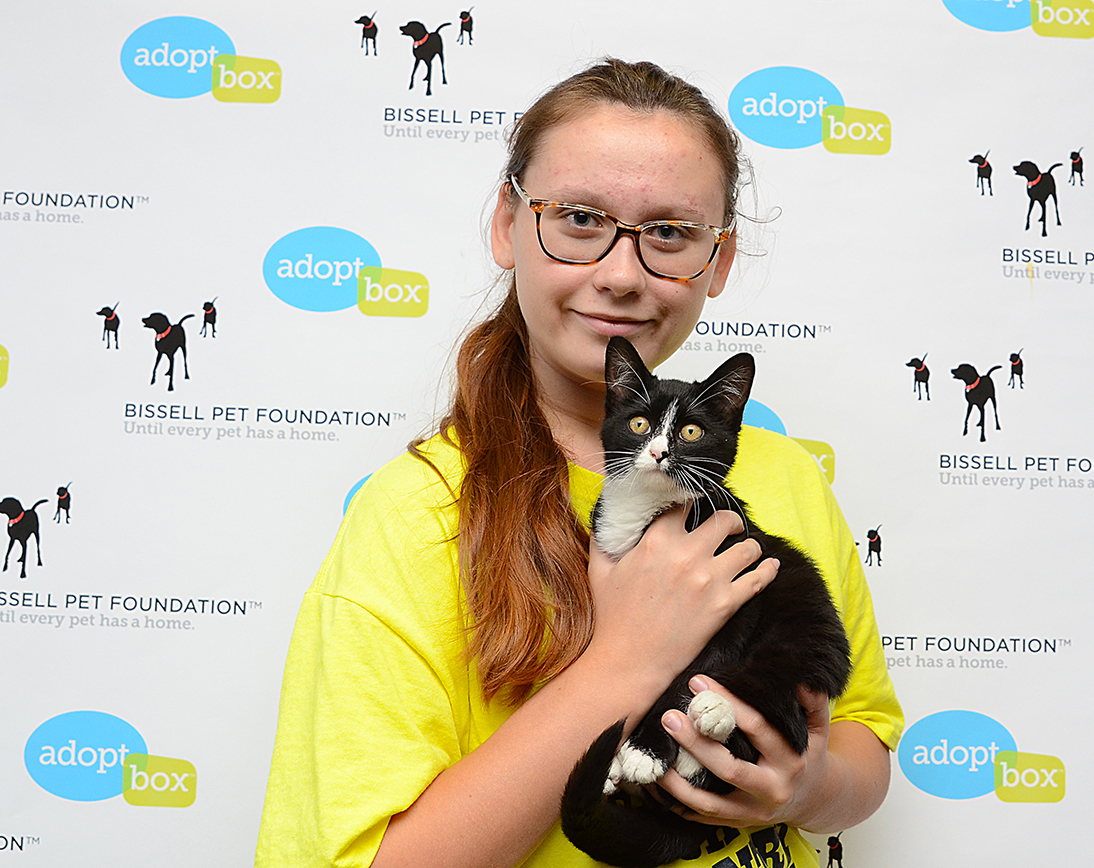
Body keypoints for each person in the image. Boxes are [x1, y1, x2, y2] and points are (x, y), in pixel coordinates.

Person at [255, 58, 902, 868]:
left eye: (669, 233)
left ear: (719, 260)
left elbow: (861, 742)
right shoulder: (417, 517)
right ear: (507, 224)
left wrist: (802, 788)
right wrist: (625, 661)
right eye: (580, 219)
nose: (621, 275)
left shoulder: (783, 477)